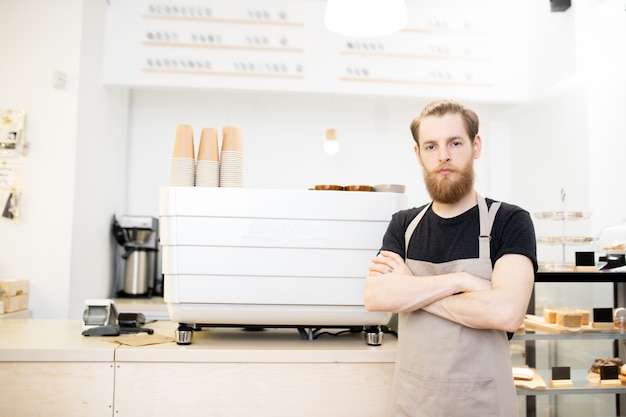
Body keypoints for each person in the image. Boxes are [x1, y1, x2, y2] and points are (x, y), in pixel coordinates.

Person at [364, 99, 537, 417]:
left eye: (455, 143)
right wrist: (463, 281)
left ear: (475, 146)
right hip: (412, 402)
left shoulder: (509, 221)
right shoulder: (404, 224)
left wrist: (411, 291)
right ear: (418, 155)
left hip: (485, 404)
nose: (443, 155)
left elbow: (508, 313)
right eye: (431, 146)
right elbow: (376, 295)